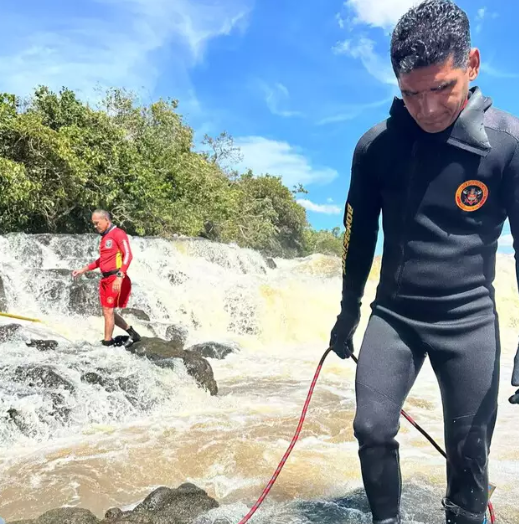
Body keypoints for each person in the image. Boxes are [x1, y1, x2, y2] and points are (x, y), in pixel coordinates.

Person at [329, 1, 519, 523]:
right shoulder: (376, 148)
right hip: (395, 316)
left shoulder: (508, 145)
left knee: (469, 447)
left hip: (469, 319)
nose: (428, 108)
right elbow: (357, 236)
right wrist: (348, 313)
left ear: (472, 65)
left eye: (442, 88)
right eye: (411, 93)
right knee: (370, 427)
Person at [72, 209, 141, 348]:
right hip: (105, 279)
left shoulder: (118, 234)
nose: (95, 226)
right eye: (94, 223)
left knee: (108, 311)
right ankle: (132, 333)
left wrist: (120, 276)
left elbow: (128, 255)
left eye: (97, 223)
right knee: (107, 311)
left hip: (116, 277)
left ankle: (107, 342)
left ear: (106, 220)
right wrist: (83, 269)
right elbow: (102, 260)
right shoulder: (104, 237)